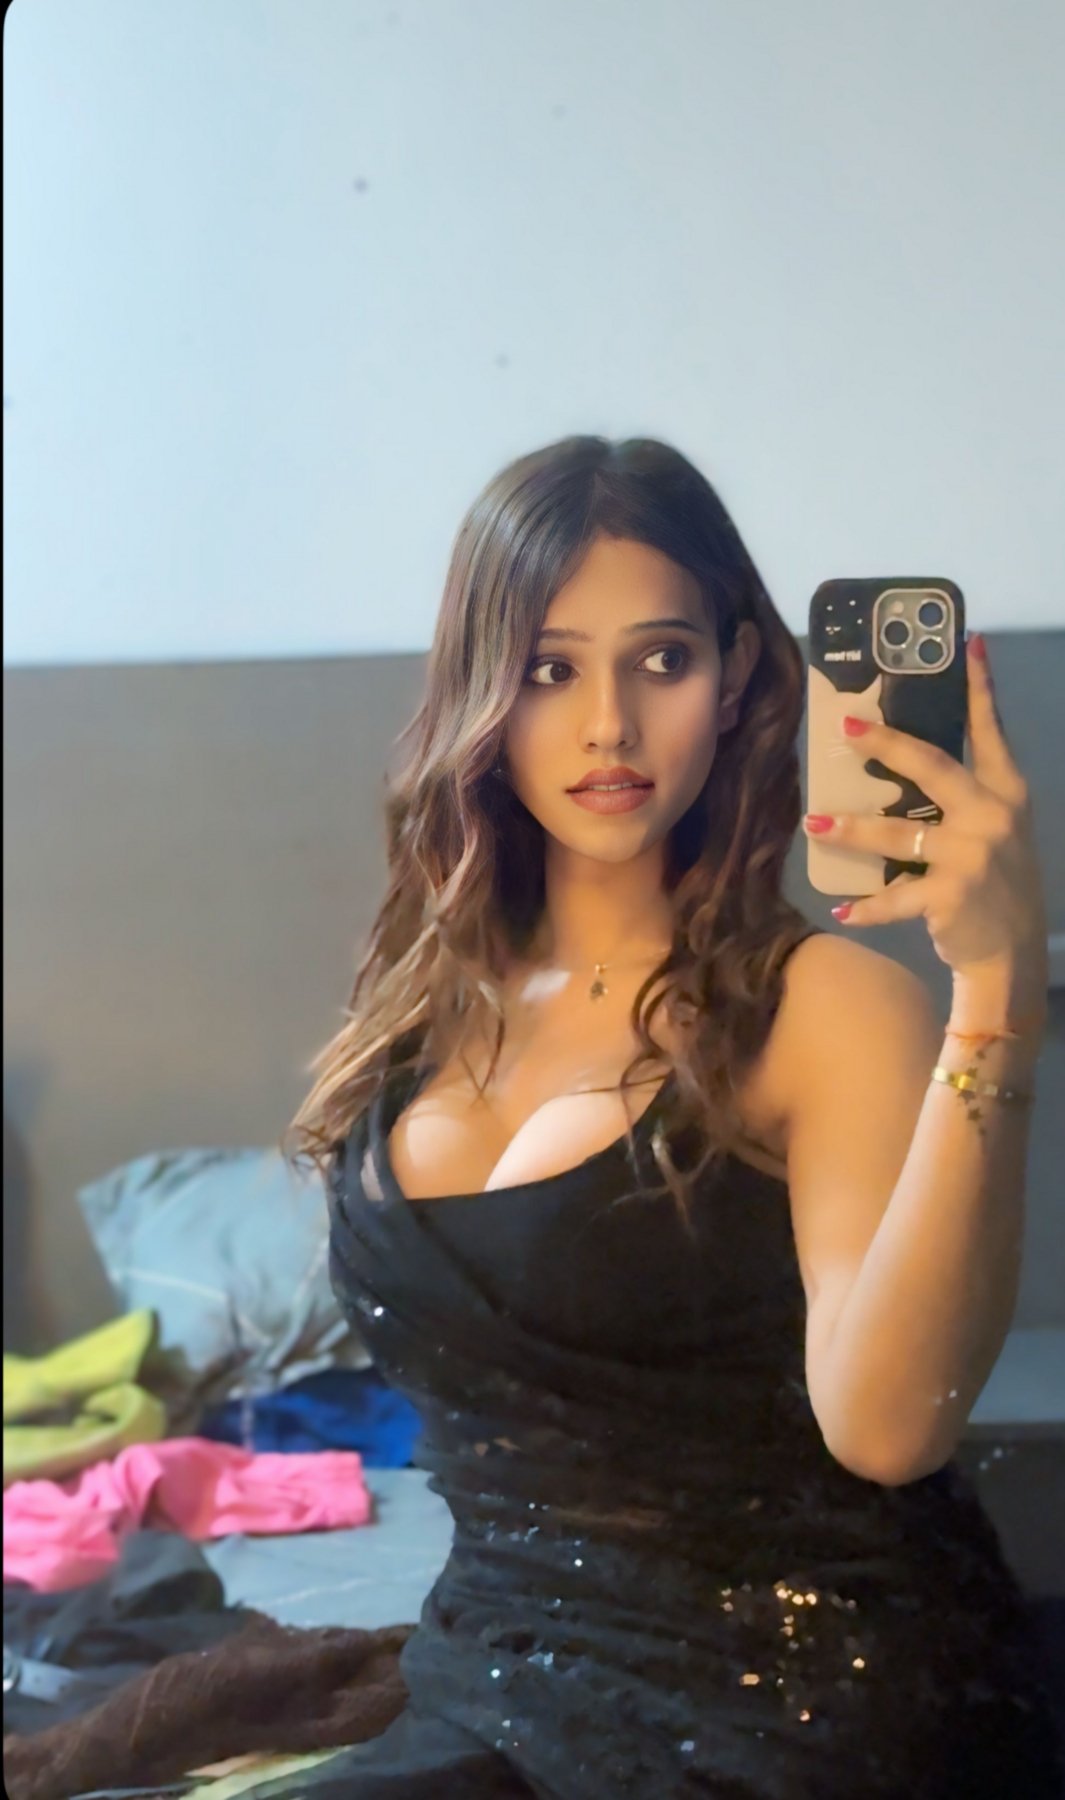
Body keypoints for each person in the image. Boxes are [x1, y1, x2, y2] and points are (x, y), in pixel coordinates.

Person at [282, 436, 1062, 1797]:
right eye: (549, 669)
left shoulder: (824, 1007)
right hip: (491, 1677)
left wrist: (995, 987)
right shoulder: (421, 1008)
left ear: (737, 677)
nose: (608, 726)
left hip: (788, 1700)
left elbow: (889, 1428)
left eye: (661, 659)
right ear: (480, 685)